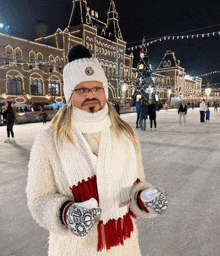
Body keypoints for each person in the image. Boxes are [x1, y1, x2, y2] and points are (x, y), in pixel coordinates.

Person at [26, 45, 167, 256]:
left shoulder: (126, 135)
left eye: (97, 88)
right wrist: (67, 213)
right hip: (75, 250)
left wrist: (144, 197)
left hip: (124, 246)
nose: (91, 94)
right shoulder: (49, 140)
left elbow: (135, 185)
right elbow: (38, 199)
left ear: (105, 91)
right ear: (70, 94)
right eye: (82, 89)